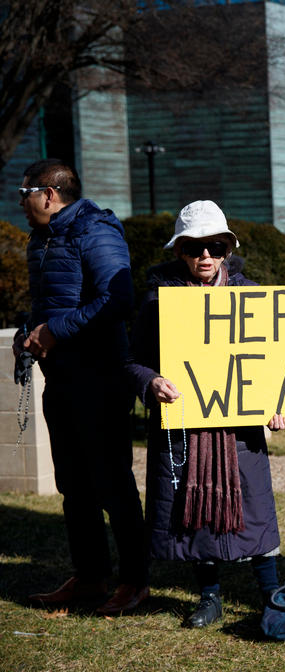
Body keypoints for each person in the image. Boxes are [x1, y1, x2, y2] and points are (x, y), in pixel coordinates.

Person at [125, 200, 285, 628]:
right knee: (191, 507)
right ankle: (210, 595)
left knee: (254, 504)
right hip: (185, 427)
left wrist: (279, 403)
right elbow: (133, 360)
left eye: (215, 247)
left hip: (238, 427)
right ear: (179, 250)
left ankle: (271, 592)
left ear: (228, 250)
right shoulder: (157, 300)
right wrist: (150, 381)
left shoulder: (251, 296)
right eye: (195, 247)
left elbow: (274, 361)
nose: (206, 256)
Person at [13, 159, 148, 614]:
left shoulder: (97, 231)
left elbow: (118, 299)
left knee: (112, 483)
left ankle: (135, 581)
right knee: (74, 485)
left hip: (101, 377)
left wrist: (56, 331)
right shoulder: (43, 237)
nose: (20, 201)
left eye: (24, 191)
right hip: (62, 379)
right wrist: (28, 334)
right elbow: (47, 301)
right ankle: (90, 578)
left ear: (48, 193)